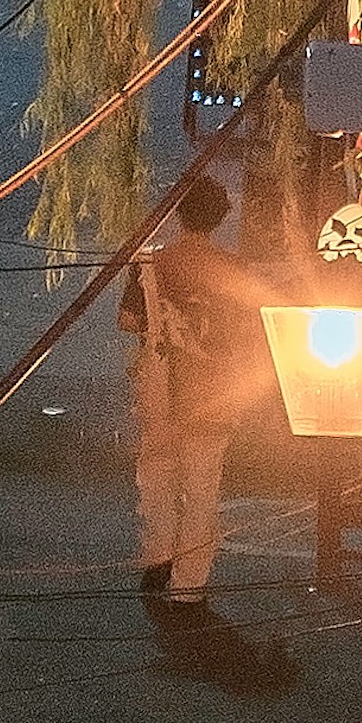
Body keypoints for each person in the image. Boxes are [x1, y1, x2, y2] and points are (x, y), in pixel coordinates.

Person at [122, 172, 263, 640]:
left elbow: (128, 322)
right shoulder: (233, 269)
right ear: (220, 218)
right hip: (212, 391)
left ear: (179, 212)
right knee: (203, 488)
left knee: (157, 476)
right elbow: (247, 331)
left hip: (158, 386)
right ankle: (189, 586)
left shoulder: (149, 268)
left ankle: (157, 560)